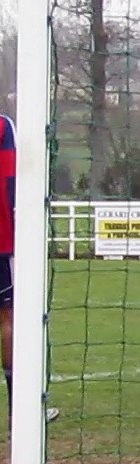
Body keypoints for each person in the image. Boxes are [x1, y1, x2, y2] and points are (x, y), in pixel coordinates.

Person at [0, 112, 59, 425]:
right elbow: (12, 182)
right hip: (2, 241)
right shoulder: (2, 127)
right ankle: (19, 409)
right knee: (10, 319)